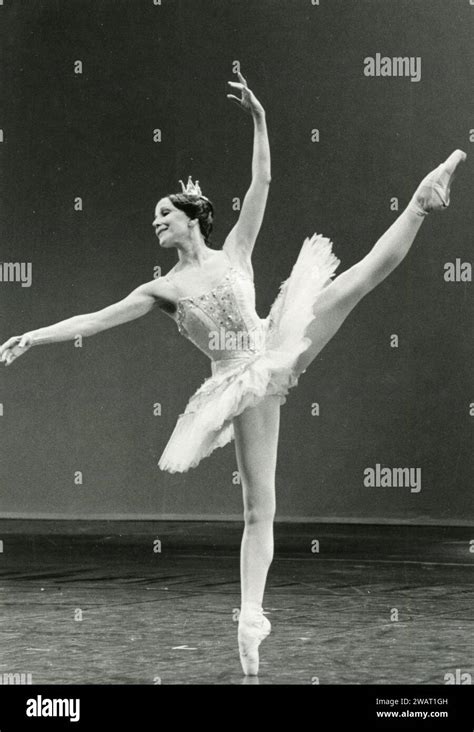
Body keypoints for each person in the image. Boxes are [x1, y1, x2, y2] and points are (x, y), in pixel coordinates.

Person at [0, 70, 466, 676]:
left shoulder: (236, 249)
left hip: (274, 341)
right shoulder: (161, 288)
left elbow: (263, 179)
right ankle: (250, 618)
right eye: (155, 218)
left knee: (359, 277)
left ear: (193, 217)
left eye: (164, 214)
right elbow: (97, 318)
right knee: (258, 509)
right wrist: (34, 335)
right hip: (240, 382)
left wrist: (259, 117)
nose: (156, 222)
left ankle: (423, 199)